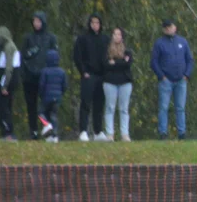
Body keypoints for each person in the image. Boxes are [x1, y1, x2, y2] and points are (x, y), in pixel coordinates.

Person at [150, 19, 193, 140]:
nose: (169, 29)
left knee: (180, 107)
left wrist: (186, 75)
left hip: (181, 80)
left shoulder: (183, 42)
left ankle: (182, 133)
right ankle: (163, 132)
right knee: (164, 107)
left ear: (175, 27)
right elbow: (153, 62)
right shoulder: (159, 43)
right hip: (166, 80)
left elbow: (190, 60)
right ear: (164, 29)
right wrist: (161, 76)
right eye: (167, 27)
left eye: (171, 27)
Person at [20, 11, 59, 140]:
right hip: (30, 77)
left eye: (39, 21)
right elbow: (23, 56)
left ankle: (48, 130)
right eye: (34, 21)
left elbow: (55, 57)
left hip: (46, 78)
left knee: (46, 106)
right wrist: (24, 73)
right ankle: (33, 131)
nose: (36, 24)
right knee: (31, 105)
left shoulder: (50, 38)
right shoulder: (28, 38)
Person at [72, 13, 109, 142]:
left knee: (99, 105)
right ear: (89, 24)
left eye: (97, 22)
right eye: (93, 22)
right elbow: (77, 56)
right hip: (88, 75)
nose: (95, 25)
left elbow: (109, 56)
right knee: (85, 103)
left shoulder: (105, 39)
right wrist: (83, 72)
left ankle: (98, 131)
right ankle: (83, 131)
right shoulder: (83, 39)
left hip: (101, 76)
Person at [101, 27, 133, 142]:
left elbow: (127, 64)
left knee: (124, 108)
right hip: (110, 82)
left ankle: (125, 134)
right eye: (115, 34)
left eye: (119, 34)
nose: (117, 36)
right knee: (110, 107)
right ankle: (110, 133)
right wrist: (120, 63)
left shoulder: (127, 51)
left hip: (125, 82)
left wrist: (115, 63)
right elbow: (105, 65)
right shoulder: (107, 50)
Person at [0, 25, 20, 142]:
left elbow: (8, 68)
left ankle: (8, 133)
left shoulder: (9, 47)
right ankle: (7, 132)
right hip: (8, 79)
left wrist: (4, 85)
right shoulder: (8, 46)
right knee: (6, 106)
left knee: (4, 107)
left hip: (7, 80)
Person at [37, 49, 67, 142]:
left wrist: (41, 95)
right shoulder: (62, 72)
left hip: (46, 97)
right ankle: (54, 135)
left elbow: (42, 85)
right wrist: (60, 94)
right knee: (53, 115)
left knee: (40, 113)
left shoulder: (45, 71)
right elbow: (64, 85)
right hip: (57, 97)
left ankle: (46, 125)